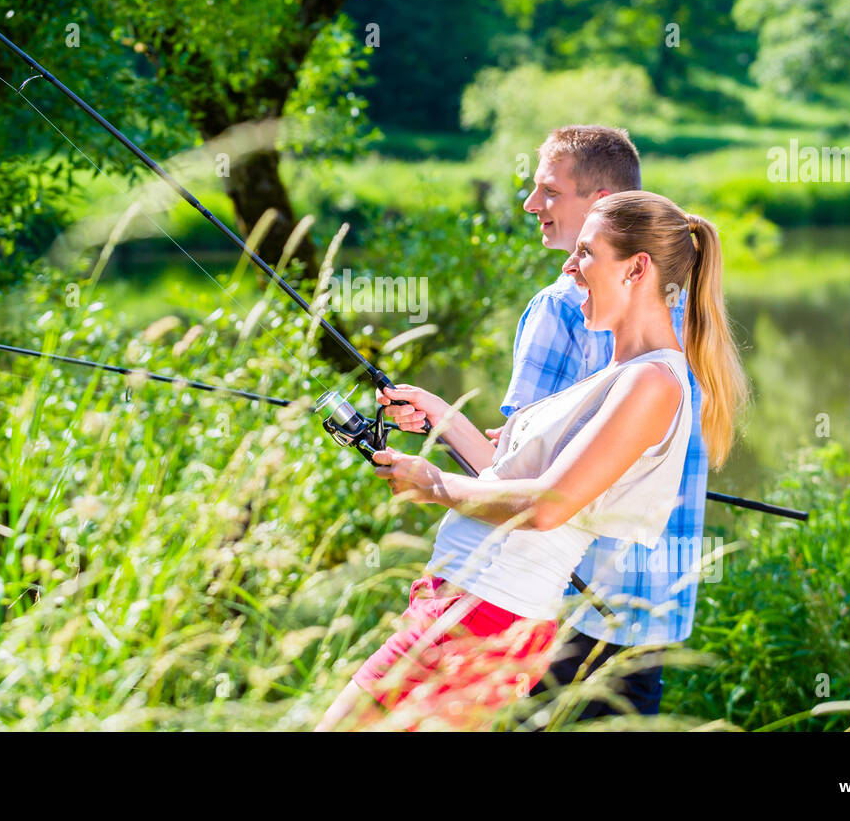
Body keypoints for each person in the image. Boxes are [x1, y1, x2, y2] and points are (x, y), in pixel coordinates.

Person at [314, 191, 747, 730]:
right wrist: (443, 418)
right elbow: (516, 476)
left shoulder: (652, 382)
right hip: (468, 599)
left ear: (636, 269)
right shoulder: (623, 371)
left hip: (486, 610)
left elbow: (547, 507)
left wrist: (433, 485)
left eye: (587, 253)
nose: (570, 267)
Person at [498, 125, 713, 720]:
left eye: (548, 191)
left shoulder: (560, 305)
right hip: (651, 606)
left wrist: (434, 471)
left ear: (598, 204)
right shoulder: (686, 305)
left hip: (567, 600)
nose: (531, 205)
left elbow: (515, 475)